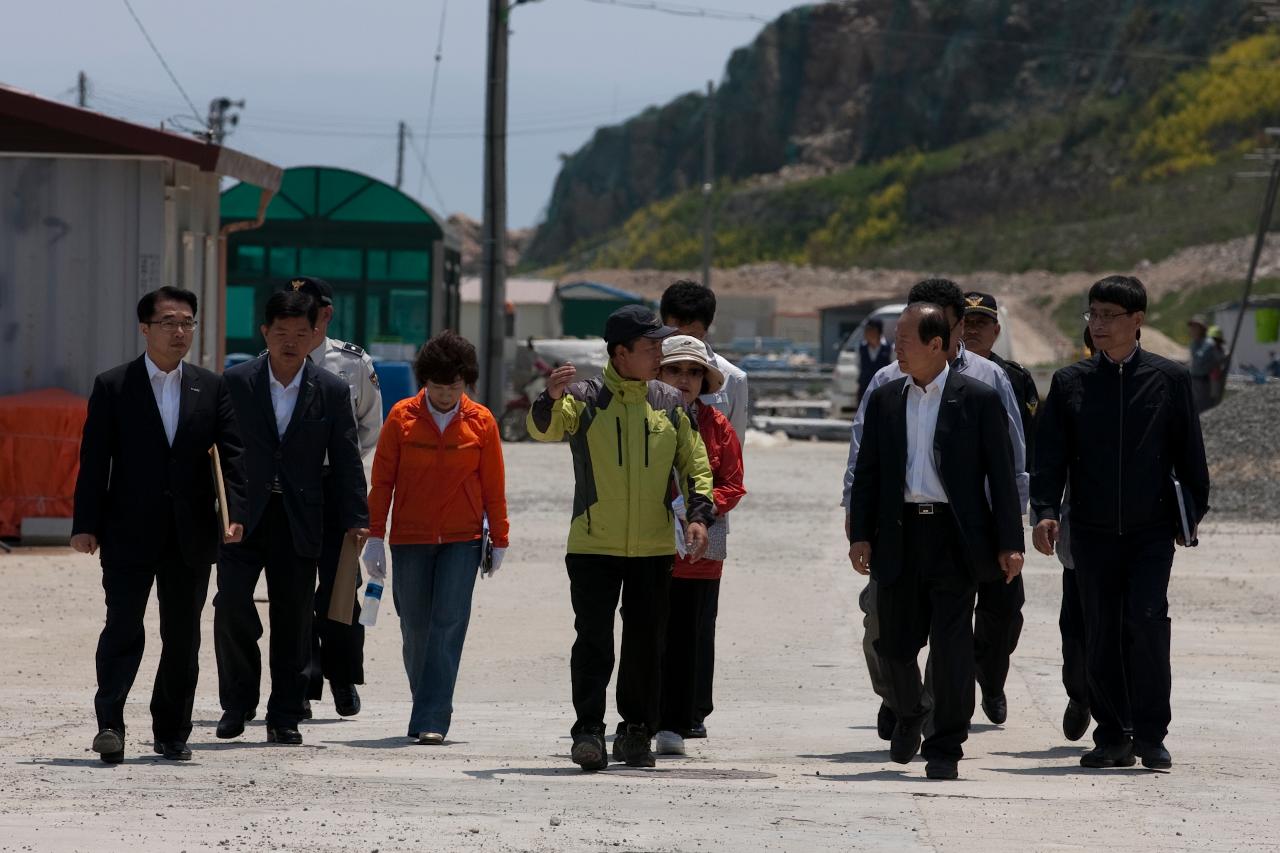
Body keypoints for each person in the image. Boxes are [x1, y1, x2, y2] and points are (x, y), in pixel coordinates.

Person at [527, 304, 716, 771]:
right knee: (593, 641)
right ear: (620, 352)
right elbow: (545, 429)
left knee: (646, 643)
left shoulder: (670, 403)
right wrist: (549, 398)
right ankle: (587, 731)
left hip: (652, 548)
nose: (659, 353)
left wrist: (697, 517)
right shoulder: (585, 397)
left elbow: (695, 465)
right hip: (593, 544)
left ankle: (636, 732)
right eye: (651, 346)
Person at [1032, 275, 1210, 770]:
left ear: (1137, 321)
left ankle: (1151, 735)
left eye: (1110, 315)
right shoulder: (1070, 384)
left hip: (1151, 531)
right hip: (1090, 531)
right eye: (1093, 314)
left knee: (1147, 625)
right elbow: (1049, 457)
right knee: (1100, 631)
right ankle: (1112, 735)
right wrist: (1045, 512)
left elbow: (1191, 458)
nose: (1099, 324)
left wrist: (1190, 515)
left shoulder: (1169, 379)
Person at [842, 278, 1028, 740]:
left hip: (962, 535)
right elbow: (863, 463)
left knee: (953, 642)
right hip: (898, 531)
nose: (898, 346)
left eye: (907, 337)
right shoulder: (886, 388)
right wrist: (858, 527)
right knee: (889, 636)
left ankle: (946, 742)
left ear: (946, 332)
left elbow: (1008, 468)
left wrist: (1008, 538)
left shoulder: (986, 385)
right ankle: (906, 705)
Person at [73, 286, 248, 764]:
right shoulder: (113, 385)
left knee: (183, 636)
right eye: (169, 322)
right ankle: (110, 723)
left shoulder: (211, 387)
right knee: (123, 627)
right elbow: (94, 461)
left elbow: (232, 458)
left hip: (189, 535)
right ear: (145, 328)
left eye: (187, 322)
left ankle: (172, 730)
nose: (179, 331)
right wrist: (84, 523)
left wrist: (235, 515)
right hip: (128, 531)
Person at [214, 291, 369, 747]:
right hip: (242, 515)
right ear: (264, 332)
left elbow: (346, 458)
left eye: (301, 333)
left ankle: (284, 714)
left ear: (315, 335)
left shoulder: (333, 389)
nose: (290, 342)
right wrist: (221, 508)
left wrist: (357, 517)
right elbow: (217, 450)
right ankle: (237, 704)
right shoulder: (235, 382)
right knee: (232, 605)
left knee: (294, 617)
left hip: (302, 517)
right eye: (281, 333)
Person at [362, 330, 509, 745]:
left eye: (455, 388)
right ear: (424, 382)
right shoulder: (401, 418)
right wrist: (375, 536)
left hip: (462, 540)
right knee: (415, 627)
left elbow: (494, 486)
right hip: (409, 538)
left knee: (448, 623)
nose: (445, 396)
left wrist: (499, 538)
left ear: (467, 385)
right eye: (437, 387)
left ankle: (432, 716)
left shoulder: (482, 422)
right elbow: (382, 481)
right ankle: (425, 699)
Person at [282, 277, 383, 720]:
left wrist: (337, 460)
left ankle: (343, 678)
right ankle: (301, 682)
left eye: (312, 310)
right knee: (295, 589)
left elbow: (369, 425)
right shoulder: (273, 363)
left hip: (337, 486)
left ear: (326, 313)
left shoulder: (353, 362)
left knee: (343, 588)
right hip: (290, 490)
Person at [659, 279, 749, 738]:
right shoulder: (644, 405)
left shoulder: (733, 383)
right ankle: (652, 710)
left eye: (692, 372)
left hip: (706, 522)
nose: (683, 379)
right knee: (655, 621)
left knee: (699, 622)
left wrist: (703, 509)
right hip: (653, 529)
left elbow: (734, 463)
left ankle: (693, 710)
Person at [960, 292, 1037, 722]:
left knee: (1005, 610)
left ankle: (990, 679)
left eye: (981, 322)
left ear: (996, 331)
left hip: (999, 512)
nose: (972, 329)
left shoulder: (1014, 379)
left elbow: (1027, 445)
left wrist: (1027, 510)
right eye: (966, 321)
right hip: (956, 513)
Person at [660, 280, 750, 439]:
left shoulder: (733, 380)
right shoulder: (646, 370)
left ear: (705, 332)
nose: (683, 342)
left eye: (692, 336)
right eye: (675, 335)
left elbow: (733, 449)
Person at [857, 318, 893, 406]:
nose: (868, 333)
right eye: (867, 330)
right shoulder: (861, 348)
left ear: (879, 332)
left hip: (883, 388)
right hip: (865, 388)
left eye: (871, 330)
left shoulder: (889, 348)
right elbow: (858, 366)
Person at [1186, 316, 1218, 413]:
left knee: (1203, 410)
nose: (1191, 330)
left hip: (1203, 381)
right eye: (1191, 327)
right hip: (1194, 379)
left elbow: (1199, 359)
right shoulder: (1195, 342)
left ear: (1202, 329)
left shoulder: (1208, 343)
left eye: (1195, 327)